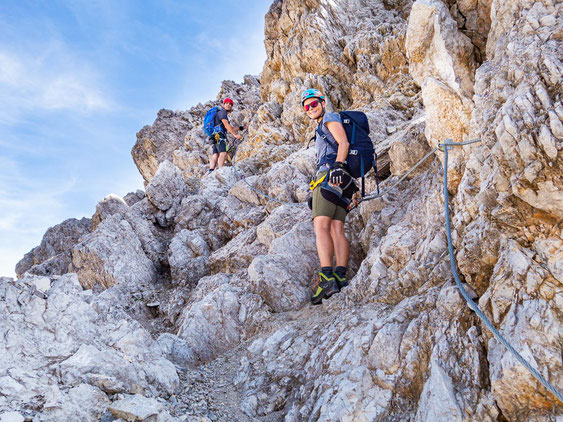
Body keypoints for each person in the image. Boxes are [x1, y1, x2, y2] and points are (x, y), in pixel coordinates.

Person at [302, 88, 357, 305]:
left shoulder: (330, 117)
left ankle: (326, 278)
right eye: (306, 106)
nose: (310, 108)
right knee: (336, 228)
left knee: (321, 227)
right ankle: (340, 276)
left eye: (314, 104)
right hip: (342, 182)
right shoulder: (323, 123)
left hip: (329, 175)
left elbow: (343, 142)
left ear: (323, 103)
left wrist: (336, 166)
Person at [208, 98, 243, 172]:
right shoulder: (222, 112)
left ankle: (211, 170)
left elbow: (231, 127)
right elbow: (226, 125)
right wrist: (235, 135)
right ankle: (220, 170)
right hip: (219, 135)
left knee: (216, 154)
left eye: (230, 104)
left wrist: (242, 128)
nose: (228, 105)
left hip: (214, 135)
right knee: (223, 153)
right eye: (226, 103)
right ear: (223, 105)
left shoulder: (219, 113)